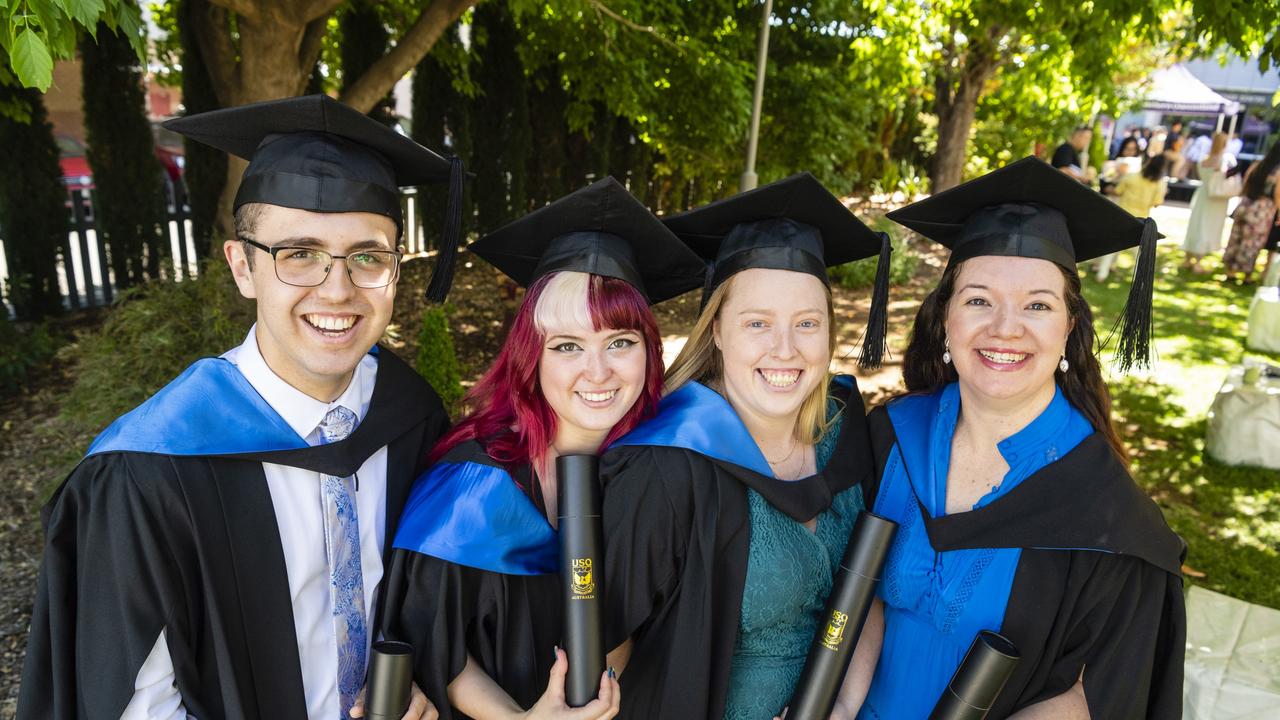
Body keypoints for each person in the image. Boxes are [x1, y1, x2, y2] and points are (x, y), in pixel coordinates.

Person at [17, 95, 465, 720]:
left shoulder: (411, 417)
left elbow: (433, 604)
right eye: (298, 254)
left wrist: (422, 683)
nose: (336, 289)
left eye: (368, 256)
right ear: (243, 267)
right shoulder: (149, 472)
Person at [860, 157, 1185, 718]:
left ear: (1069, 329)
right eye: (979, 300)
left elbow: (1096, 691)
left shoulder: (1105, 514)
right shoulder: (887, 437)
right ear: (945, 320)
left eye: (1037, 305)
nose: (1005, 328)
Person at [382, 177, 706, 719]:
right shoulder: (472, 485)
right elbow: (433, 641)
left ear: (650, 351)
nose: (597, 371)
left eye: (620, 343)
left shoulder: (660, 468)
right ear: (532, 358)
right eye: (568, 346)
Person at [598, 173, 893, 719]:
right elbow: (606, 656)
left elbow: (867, 593)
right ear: (716, 331)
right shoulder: (665, 465)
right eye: (758, 322)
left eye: (808, 323)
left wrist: (842, 707)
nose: (785, 349)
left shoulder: (847, 434)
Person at [1096, 154, 1169, 281]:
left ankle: (1102, 273)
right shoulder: (1158, 184)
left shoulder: (1131, 177)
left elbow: (1118, 191)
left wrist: (1109, 188)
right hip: (1140, 219)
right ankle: (1141, 278)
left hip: (1123, 215)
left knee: (1113, 246)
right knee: (1138, 253)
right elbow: (1157, 203)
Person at [1223, 141, 1280, 283]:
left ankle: (1230, 271)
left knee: (1237, 237)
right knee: (1252, 242)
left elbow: (1246, 183)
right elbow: (1278, 194)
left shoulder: (1258, 164)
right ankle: (1247, 275)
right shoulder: (1278, 171)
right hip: (1262, 209)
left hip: (1246, 203)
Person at [1183, 132, 1237, 273]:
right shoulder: (1223, 161)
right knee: (1207, 227)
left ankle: (1188, 258)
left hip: (1203, 194)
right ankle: (1197, 263)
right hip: (1215, 199)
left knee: (1197, 223)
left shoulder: (1204, 160)